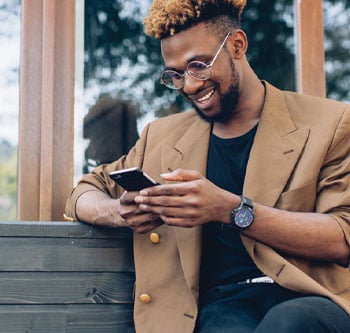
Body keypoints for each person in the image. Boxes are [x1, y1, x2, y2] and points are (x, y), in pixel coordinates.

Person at [65, 0, 350, 332]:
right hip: (220, 309)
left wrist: (230, 209)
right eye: (175, 74)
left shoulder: (329, 123)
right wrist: (118, 212)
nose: (189, 85)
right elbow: (84, 191)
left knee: (288, 322)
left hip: (308, 300)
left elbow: (341, 237)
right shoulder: (162, 136)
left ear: (237, 46)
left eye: (198, 65)